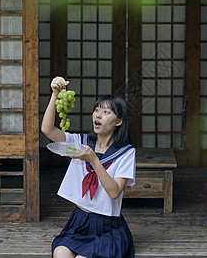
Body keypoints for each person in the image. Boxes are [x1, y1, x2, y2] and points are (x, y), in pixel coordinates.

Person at [41, 76, 136, 258]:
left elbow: (114, 191)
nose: (98, 115)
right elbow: (48, 130)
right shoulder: (80, 142)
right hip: (79, 222)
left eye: (106, 112)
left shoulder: (126, 153)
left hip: (107, 227)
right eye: (96, 110)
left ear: (119, 121)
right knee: (60, 253)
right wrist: (55, 95)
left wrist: (93, 160)